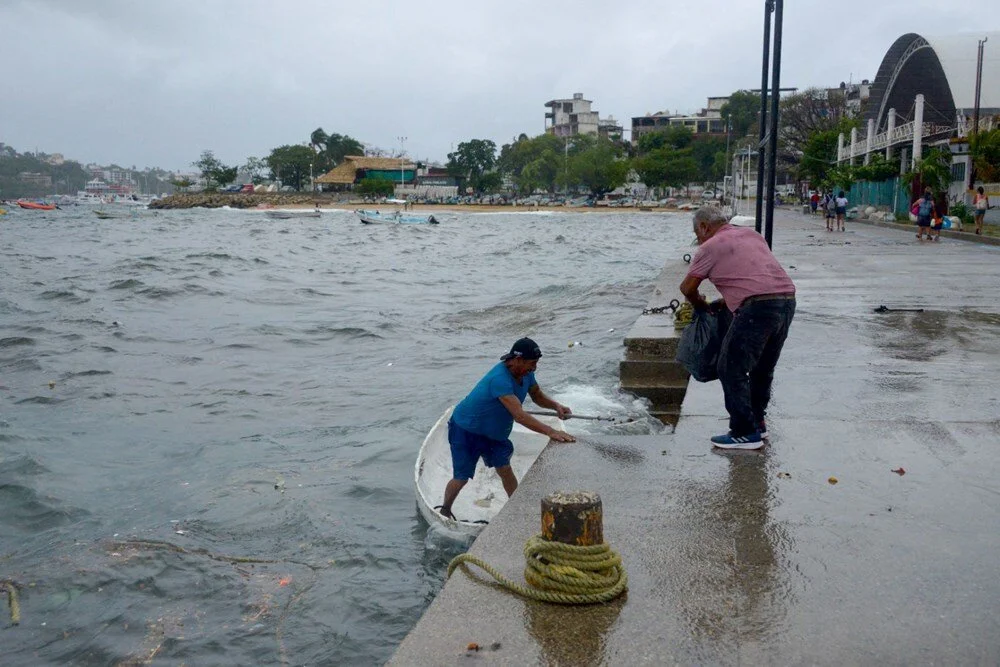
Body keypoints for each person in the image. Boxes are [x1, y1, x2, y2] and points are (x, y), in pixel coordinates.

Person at [679, 207, 796, 450]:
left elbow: (687, 288)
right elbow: (754, 274)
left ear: (703, 227)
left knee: (730, 367)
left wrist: (702, 306)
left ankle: (743, 432)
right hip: (786, 300)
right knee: (763, 367)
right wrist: (727, 300)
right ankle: (757, 422)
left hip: (757, 308)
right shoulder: (752, 236)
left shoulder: (709, 246)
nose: (698, 240)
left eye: (697, 234)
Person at [439, 337, 576, 519]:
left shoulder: (526, 374)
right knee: (461, 477)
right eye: (531, 363)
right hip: (466, 430)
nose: (534, 367)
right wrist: (551, 431)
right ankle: (445, 509)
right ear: (517, 360)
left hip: (494, 433)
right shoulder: (499, 379)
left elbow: (537, 396)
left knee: (505, 469)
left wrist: (555, 406)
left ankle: (518, 508)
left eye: (536, 363)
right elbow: (519, 415)